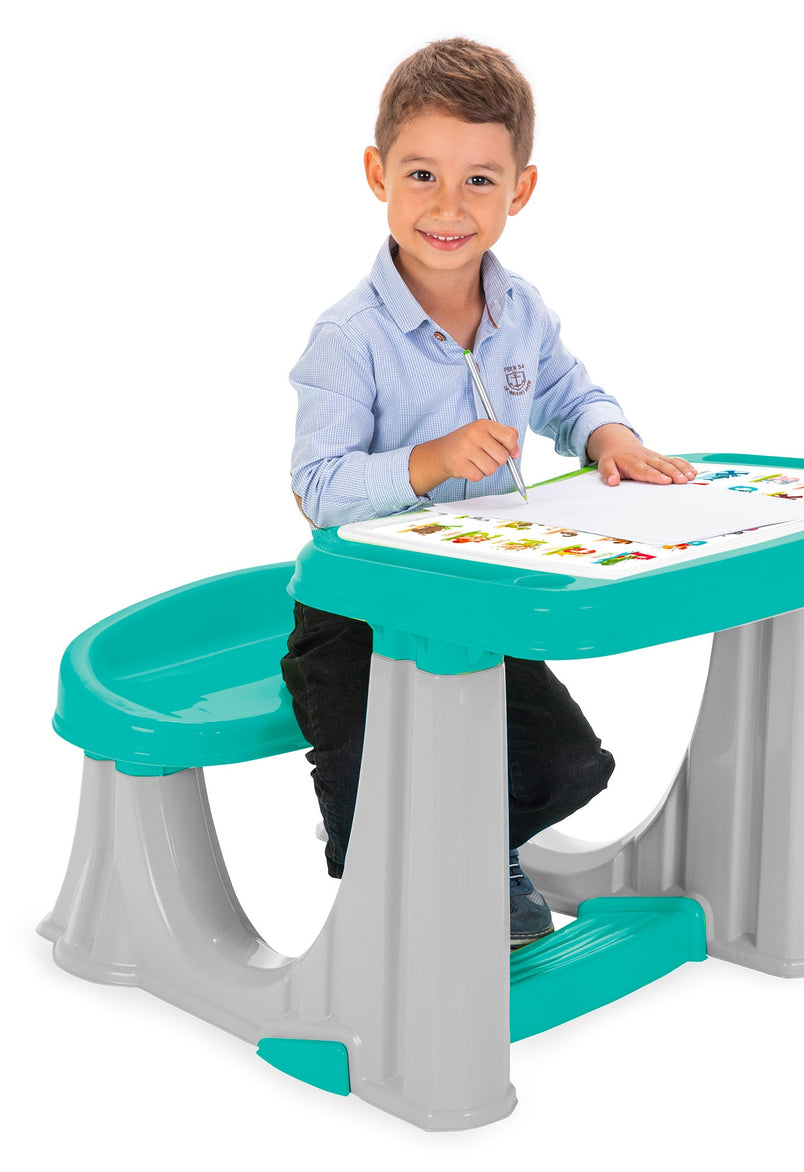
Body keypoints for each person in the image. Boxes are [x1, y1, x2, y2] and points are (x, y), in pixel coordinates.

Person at [282, 37, 696, 948]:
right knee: (373, 800)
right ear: (377, 174)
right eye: (422, 174)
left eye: (479, 180)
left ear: (522, 189)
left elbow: (568, 393)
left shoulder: (522, 312)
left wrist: (609, 436)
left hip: (481, 596)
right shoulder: (349, 338)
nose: (448, 206)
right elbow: (317, 490)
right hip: (358, 612)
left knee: (564, 765)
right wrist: (428, 462)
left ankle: (482, 846)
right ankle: (401, 884)